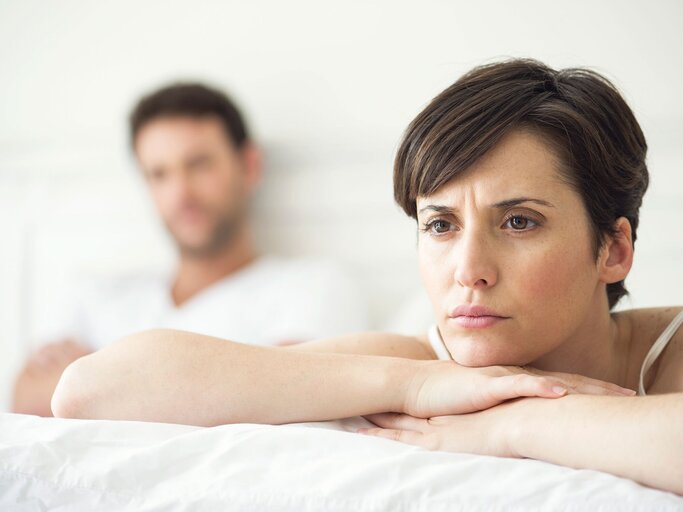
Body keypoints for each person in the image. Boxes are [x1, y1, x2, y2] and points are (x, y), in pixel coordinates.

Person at [51, 60, 682, 495]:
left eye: (518, 222)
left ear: (614, 248)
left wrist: (516, 422)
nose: (469, 271)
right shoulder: (415, 367)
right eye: (440, 226)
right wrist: (410, 385)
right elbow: (88, 393)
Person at [12, 83, 368, 417]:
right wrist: (220, 385)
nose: (181, 194)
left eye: (198, 165)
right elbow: (25, 401)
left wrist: (95, 375)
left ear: (249, 165)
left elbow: (293, 398)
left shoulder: (310, 285)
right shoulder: (93, 296)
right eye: (159, 174)